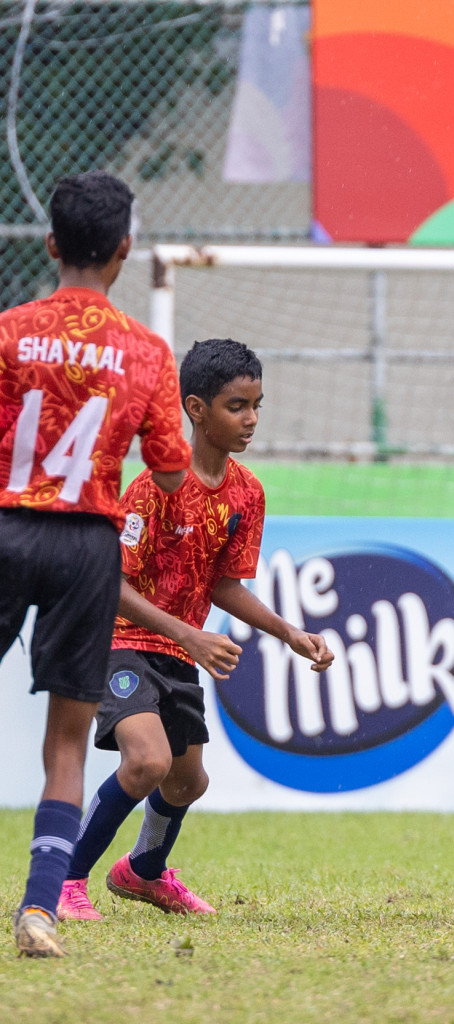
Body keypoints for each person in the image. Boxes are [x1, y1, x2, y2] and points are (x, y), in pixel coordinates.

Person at [54, 339, 332, 922]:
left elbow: (225, 584)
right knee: (147, 762)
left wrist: (290, 633)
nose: (251, 419)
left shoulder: (247, 492)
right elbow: (111, 585)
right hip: (119, 643)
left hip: (178, 652)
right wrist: (188, 635)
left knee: (187, 782)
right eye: (237, 406)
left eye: (258, 404)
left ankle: (143, 873)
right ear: (197, 409)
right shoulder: (156, 484)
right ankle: (64, 881)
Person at [0, 171, 192, 957]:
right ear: (125, 249)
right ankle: (40, 911)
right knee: (68, 743)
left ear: (50, 245)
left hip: (7, 524)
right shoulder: (145, 351)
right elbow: (173, 469)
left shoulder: (9, 331)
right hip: (86, 547)